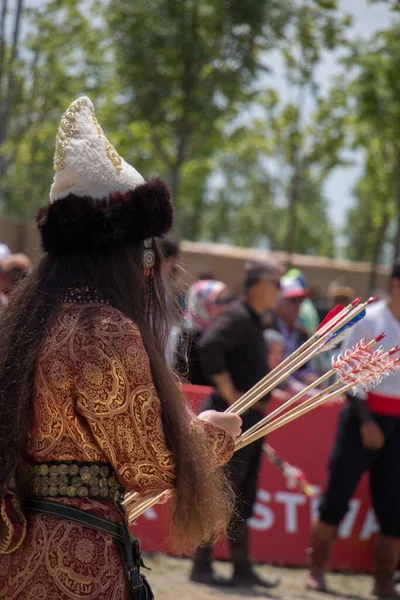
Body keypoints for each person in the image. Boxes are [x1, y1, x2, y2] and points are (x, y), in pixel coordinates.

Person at [0, 96, 243, 599]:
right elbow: (150, 465)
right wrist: (213, 435)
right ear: (133, 252)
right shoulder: (104, 331)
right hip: (77, 564)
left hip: (14, 549)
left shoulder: (25, 320)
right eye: (147, 252)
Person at [306, 263, 400, 599]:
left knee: (394, 505)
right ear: (395, 283)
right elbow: (345, 375)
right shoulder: (371, 318)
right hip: (363, 419)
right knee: (337, 494)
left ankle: (384, 581)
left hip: (398, 426)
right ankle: (316, 570)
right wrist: (367, 421)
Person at [190, 260, 282, 588]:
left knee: (240, 497)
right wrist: (231, 394)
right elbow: (210, 344)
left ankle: (242, 567)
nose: (280, 291)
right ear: (258, 284)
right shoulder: (238, 316)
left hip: (249, 422)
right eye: (276, 283)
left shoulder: (255, 321)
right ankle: (201, 566)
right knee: (220, 493)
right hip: (231, 420)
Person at [174, 279, 233, 385]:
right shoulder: (187, 336)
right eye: (219, 301)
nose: (225, 307)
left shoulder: (223, 331)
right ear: (201, 302)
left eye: (227, 301)